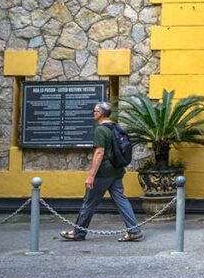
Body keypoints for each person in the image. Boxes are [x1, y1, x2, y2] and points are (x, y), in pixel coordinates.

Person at [60, 102, 143, 242]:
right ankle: (134, 231)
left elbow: (99, 152)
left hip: (103, 172)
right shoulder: (116, 127)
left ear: (100, 113)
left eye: (94, 111)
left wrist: (91, 176)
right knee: (121, 200)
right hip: (117, 170)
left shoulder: (100, 130)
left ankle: (78, 233)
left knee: (89, 202)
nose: (93, 113)